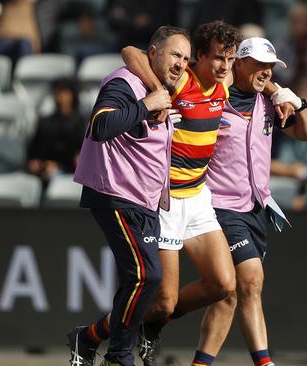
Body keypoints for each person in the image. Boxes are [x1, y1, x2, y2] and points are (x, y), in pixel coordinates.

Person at [119, 21, 243, 366]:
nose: (225, 66)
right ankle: (105, 332)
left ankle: (154, 327)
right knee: (164, 302)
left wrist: (279, 91)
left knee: (223, 285)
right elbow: (130, 51)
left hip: (198, 197)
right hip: (167, 201)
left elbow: (251, 74)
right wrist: (158, 89)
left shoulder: (224, 83)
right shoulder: (180, 79)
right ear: (198, 57)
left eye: (230, 59)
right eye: (218, 58)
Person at [67, 25, 191, 366]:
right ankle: (120, 355)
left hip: (144, 198)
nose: (181, 63)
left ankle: (88, 339)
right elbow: (100, 126)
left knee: (140, 279)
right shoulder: (124, 83)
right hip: (115, 192)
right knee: (146, 275)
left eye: (186, 58)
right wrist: (146, 103)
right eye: (175, 54)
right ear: (154, 53)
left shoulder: (164, 87)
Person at [193, 37, 307, 366]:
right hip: (220, 206)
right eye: (259, 65)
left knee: (228, 295)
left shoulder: (269, 102)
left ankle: (198, 361)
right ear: (239, 63)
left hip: (257, 207)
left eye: (270, 67)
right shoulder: (215, 98)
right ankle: (265, 363)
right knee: (251, 278)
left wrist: (297, 103)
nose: (266, 72)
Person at [26, 78, 86, 186]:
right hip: (43, 170)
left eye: (63, 92)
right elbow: (33, 150)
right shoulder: (46, 123)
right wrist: (37, 163)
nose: (59, 96)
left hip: (69, 173)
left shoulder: (82, 124)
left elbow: (80, 156)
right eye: (57, 92)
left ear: (72, 95)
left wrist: (60, 166)